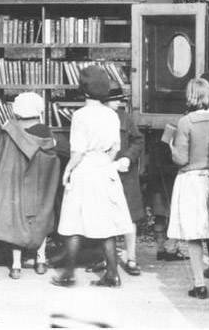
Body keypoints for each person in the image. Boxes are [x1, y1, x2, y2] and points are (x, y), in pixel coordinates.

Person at [51, 66, 135, 289]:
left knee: (73, 220)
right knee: (106, 222)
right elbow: (115, 148)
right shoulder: (112, 115)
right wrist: (104, 160)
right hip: (105, 168)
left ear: (83, 90)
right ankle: (112, 273)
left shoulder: (80, 116)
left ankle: (68, 273)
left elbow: (77, 152)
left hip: (85, 170)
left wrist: (68, 170)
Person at [0, 92, 59, 279]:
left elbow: (4, 160)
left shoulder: (10, 130)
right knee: (41, 219)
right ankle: (41, 261)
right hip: (39, 185)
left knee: (17, 223)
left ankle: (16, 265)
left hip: (17, 185)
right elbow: (51, 158)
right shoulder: (44, 131)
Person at [168, 78, 209, 299]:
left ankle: (199, 284)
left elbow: (181, 159)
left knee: (194, 233)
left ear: (190, 96)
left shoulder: (185, 122)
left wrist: (172, 146)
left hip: (192, 179)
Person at [104, 80, 145, 277]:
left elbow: (138, 140)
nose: (117, 104)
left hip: (124, 174)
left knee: (130, 217)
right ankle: (104, 259)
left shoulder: (125, 118)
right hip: (104, 172)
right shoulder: (98, 119)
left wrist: (128, 157)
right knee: (103, 216)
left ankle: (131, 258)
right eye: (113, 101)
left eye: (119, 100)